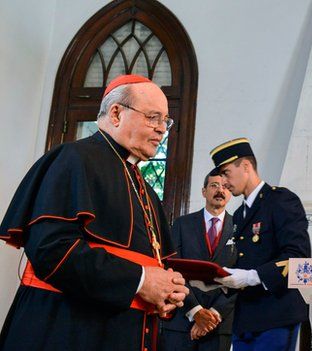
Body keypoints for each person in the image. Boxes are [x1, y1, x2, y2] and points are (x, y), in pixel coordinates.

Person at [0, 74, 189, 350]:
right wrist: (140, 280)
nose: (162, 129)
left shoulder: (143, 186)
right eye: (153, 117)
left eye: (166, 121)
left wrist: (166, 291)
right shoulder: (74, 158)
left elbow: (150, 264)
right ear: (116, 113)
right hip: (69, 331)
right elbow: (51, 250)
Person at [209, 138, 311, 351]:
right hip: (245, 318)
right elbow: (245, 259)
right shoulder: (239, 215)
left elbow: (298, 256)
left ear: (246, 166)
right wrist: (219, 279)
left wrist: (250, 277)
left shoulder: (280, 200)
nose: (224, 182)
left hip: (276, 315)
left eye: (226, 173)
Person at [160, 169, 237, 351]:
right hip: (180, 322)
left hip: (218, 325)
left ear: (230, 193)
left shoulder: (240, 229)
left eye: (225, 186)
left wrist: (212, 315)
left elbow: (241, 279)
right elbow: (172, 269)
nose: (220, 190)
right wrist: (195, 312)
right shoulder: (181, 224)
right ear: (204, 191)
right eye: (214, 185)